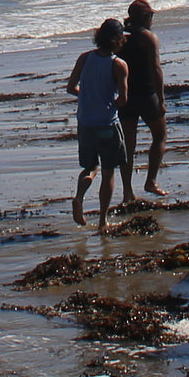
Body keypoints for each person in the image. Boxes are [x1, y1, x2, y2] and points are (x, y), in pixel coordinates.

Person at [66, 18, 129, 232]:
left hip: (85, 124)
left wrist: (87, 97)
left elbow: (71, 87)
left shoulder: (84, 58)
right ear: (118, 40)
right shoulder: (118, 64)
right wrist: (109, 101)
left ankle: (79, 197)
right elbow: (123, 99)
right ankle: (103, 221)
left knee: (90, 168)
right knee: (109, 172)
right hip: (107, 124)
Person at [117, 0, 167, 199]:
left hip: (126, 96)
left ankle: (127, 191)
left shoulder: (120, 38)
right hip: (146, 94)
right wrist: (161, 98)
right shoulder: (148, 37)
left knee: (128, 146)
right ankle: (151, 181)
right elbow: (156, 69)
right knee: (160, 136)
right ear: (146, 18)